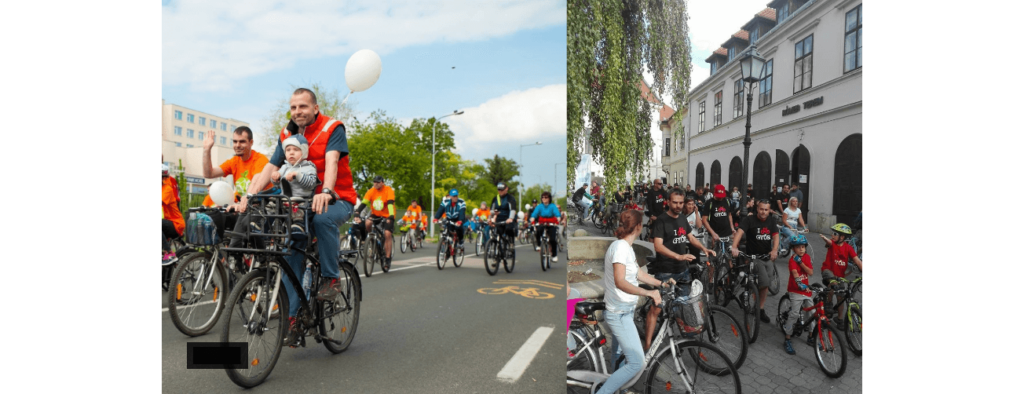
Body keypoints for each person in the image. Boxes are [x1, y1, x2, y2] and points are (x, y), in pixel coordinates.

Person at [232, 88, 357, 348]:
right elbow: (271, 167)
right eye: (293, 107)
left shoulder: (333, 128)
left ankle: (332, 278)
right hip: (299, 202)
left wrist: (326, 191)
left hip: (336, 197)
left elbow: (332, 162)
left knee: (322, 220)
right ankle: (293, 320)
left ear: (315, 108)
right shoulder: (287, 133)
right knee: (290, 254)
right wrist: (250, 195)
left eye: (302, 106)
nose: (297, 112)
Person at [598, 209, 673, 394]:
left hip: (624, 310)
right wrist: (648, 294)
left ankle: (619, 390)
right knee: (636, 362)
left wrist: (660, 283)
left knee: (619, 356)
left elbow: (638, 273)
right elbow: (620, 281)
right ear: (639, 227)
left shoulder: (626, 247)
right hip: (619, 313)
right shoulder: (620, 249)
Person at [643, 189, 715, 351]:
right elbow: (658, 246)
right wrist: (678, 256)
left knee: (682, 306)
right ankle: (647, 347)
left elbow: (690, 238)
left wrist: (704, 249)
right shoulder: (661, 221)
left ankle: (681, 341)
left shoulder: (682, 218)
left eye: (680, 203)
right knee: (656, 309)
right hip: (666, 272)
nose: (678, 206)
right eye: (674, 202)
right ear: (668, 202)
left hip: (683, 271)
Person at [731, 199, 779, 324]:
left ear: (769, 210)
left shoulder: (772, 221)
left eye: (766, 210)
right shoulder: (749, 220)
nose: (763, 212)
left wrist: (774, 250)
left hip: (767, 257)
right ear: (757, 209)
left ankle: (760, 308)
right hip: (753, 257)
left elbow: (776, 236)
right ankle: (750, 297)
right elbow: (739, 233)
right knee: (763, 281)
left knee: (766, 285)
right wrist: (734, 247)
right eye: (761, 209)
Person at [201, 126, 274, 207]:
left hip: (263, 205)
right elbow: (208, 174)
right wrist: (206, 149)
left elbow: (255, 183)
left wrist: (242, 203)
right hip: (242, 205)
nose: (237, 145)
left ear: (251, 142)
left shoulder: (260, 159)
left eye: (242, 142)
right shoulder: (234, 161)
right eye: (235, 142)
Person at [270, 135, 320, 234]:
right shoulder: (285, 167)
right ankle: (265, 224)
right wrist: (275, 177)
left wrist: (297, 175)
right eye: (288, 150)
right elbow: (277, 183)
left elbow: (311, 183)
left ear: (304, 151)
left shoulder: (308, 167)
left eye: (296, 149)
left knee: (299, 210)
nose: (291, 152)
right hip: (285, 200)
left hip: (302, 200)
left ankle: (298, 227)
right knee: (271, 204)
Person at [819, 223, 864, 325]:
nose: (832, 235)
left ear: (842, 237)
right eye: (832, 233)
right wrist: (825, 239)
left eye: (835, 234)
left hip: (840, 276)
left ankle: (839, 319)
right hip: (827, 271)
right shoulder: (832, 245)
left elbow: (857, 261)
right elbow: (829, 242)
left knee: (841, 297)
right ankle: (828, 306)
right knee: (833, 285)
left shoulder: (848, 248)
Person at [355, 175, 397, 267]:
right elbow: (364, 203)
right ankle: (371, 238)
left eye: (378, 182)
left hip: (388, 214)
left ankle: (387, 258)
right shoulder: (371, 191)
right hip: (376, 213)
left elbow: (390, 203)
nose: (376, 184)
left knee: (387, 234)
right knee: (368, 222)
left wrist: (391, 216)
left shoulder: (388, 190)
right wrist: (357, 212)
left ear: (382, 182)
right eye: (374, 182)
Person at [782, 234, 813, 355]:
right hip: (795, 290)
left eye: (803, 247)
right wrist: (799, 283)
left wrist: (801, 263)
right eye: (797, 247)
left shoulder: (806, 257)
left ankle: (811, 336)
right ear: (793, 249)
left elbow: (810, 272)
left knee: (812, 314)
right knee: (794, 314)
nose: (801, 249)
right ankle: (787, 338)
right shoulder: (792, 260)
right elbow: (794, 273)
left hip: (806, 291)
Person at [702, 184, 735, 268]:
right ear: (714, 193)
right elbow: (704, 220)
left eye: (722, 196)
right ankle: (711, 280)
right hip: (714, 235)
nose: (720, 198)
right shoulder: (709, 203)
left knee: (730, 257)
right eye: (718, 196)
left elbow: (729, 215)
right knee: (712, 259)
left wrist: (732, 228)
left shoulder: (727, 201)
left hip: (727, 233)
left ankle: (730, 278)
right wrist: (712, 233)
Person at [489, 182, 519, 266]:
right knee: (496, 237)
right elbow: (491, 210)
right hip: (499, 220)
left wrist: (510, 218)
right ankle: (496, 257)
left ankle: (511, 244)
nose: (500, 191)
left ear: (506, 189)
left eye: (502, 189)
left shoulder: (510, 198)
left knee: (509, 229)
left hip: (508, 219)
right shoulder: (495, 198)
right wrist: (493, 214)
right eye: (499, 189)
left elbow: (513, 209)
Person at [161, 161, 184, 266]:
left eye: (163, 177)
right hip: (167, 223)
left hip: (176, 224)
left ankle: (170, 253)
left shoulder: (167, 189)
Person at [530, 191, 562, 262]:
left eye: (546, 197)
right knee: (538, 231)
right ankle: (538, 245)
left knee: (553, 240)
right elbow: (534, 214)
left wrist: (558, 220)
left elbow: (557, 214)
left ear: (549, 198)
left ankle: (554, 255)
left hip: (551, 223)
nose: (544, 199)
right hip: (542, 222)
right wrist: (532, 220)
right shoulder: (539, 206)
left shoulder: (552, 206)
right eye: (543, 197)